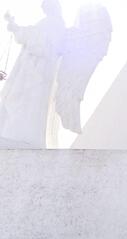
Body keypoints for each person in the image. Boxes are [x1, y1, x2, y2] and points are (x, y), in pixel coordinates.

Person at [0, 0, 65, 147]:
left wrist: (16, 28)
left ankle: (19, 135)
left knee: (26, 103)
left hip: (37, 74)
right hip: (29, 70)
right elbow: (33, 35)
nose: (44, 8)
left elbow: (38, 40)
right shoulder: (49, 22)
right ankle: (11, 133)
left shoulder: (55, 24)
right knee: (16, 101)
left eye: (46, 6)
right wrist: (16, 28)